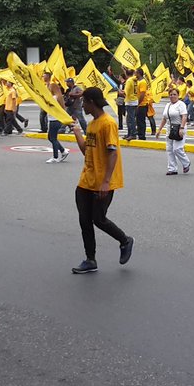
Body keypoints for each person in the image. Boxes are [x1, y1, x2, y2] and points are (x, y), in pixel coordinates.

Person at [69, 87, 133, 275]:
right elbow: (86, 151)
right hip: (86, 181)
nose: (81, 105)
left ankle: (125, 240)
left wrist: (106, 182)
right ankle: (90, 259)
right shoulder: (92, 124)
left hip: (102, 182)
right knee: (84, 221)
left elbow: (112, 153)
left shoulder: (108, 124)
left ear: (91, 102)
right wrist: (77, 132)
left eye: (83, 101)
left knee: (99, 219)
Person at [160, 88, 191, 176]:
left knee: (177, 148)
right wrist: (159, 130)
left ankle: (186, 162)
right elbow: (164, 118)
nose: (172, 96)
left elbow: (184, 116)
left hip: (179, 128)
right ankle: (172, 168)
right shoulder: (167, 105)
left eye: (174, 94)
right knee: (169, 149)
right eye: (171, 94)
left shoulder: (181, 104)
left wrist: (181, 128)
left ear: (178, 95)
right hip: (170, 129)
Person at [45, 73, 69, 164]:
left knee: (53, 138)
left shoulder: (55, 98)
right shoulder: (53, 96)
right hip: (51, 118)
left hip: (55, 119)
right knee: (50, 137)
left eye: (44, 75)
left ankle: (55, 157)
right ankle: (63, 151)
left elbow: (58, 106)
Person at [123, 70, 139, 140]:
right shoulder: (134, 80)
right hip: (135, 100)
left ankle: (133, 134)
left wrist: (120, 92)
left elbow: (125, 93)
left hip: (130, 101)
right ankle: (130, 133)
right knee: (130, 118)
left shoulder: (129, 81)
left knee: (130, 119)